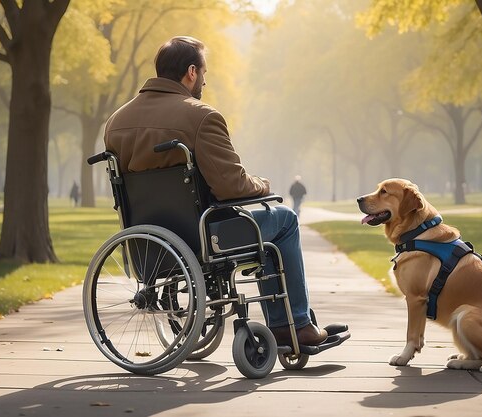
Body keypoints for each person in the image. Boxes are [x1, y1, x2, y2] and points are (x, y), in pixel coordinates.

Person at [103, 36, 341, 346]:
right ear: (191, 72)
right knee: (284, 220)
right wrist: (262, 185)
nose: (204, 80)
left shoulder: (115, 123)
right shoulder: (201, 115)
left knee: (266, 221)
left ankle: (290, 323)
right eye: (204, 72)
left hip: (149, 243)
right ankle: (293, 324)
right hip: (204, 237)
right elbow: (232, 187)